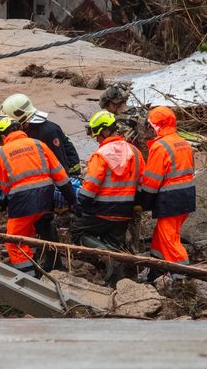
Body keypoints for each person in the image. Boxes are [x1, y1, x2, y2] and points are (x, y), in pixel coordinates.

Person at [0, 93, 81, 267]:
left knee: (45, 222)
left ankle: (53, 262)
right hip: (47, 183)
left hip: (57, 182)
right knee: (39, 222)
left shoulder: (46, 131)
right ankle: (41, 255)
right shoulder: (32, 131)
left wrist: (68, 198)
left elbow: (60, 166)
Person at [71, 110, 146, 285]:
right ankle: (117, 285)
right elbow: (142, 183)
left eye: (97, 135)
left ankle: (106, 256)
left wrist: (79, 206)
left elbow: (90, 187)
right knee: (115, 244)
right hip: (125, 211)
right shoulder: (134, 152)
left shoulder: (101, 155)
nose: (96, 139)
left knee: (78, 230)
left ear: (104, 131)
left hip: (101, 210)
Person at [137, 106, 195, 281]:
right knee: (162, 235)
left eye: (151, 125)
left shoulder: (160, 146)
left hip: (171, 199)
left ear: (158, 125)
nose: (150, 128)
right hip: (187, 196)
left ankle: (182, 278)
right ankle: (157, 270)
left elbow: (151, 181)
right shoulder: (183, 143)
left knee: (169, 239)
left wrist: (143, 202)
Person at [99, 82, 153, 157]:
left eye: (107, 106)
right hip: (155, 154)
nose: (107, 110)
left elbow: (122, 151)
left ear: (112, 105)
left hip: (140, 162)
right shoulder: (141, 111)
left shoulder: (119, 123)